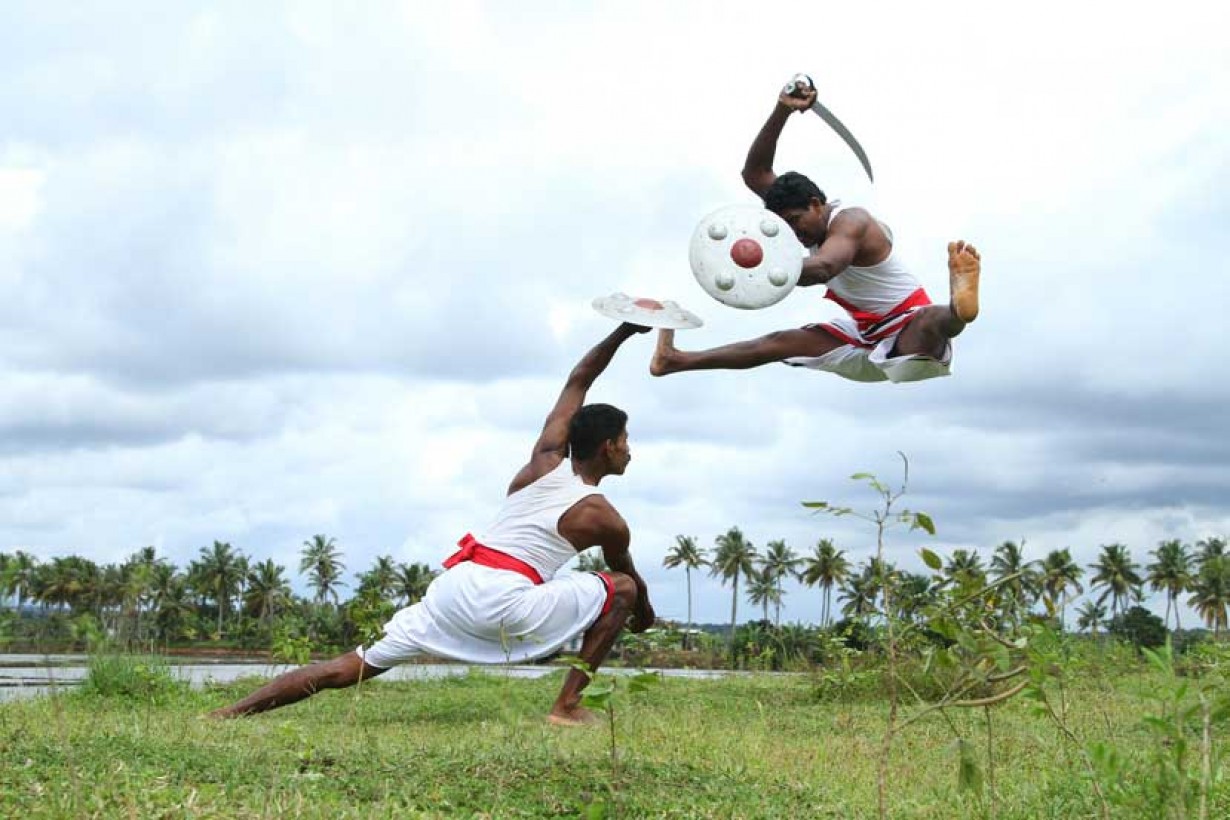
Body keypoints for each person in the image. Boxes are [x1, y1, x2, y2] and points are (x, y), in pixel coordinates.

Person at [210, 322, 656, 727]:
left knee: (346, 668)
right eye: (625, 441)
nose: (629, 450)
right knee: (623, 590)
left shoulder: (542, 461)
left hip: (452, 590)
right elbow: (628, 579)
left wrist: (622, 331)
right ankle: (566, 707)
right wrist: (645, 611)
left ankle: (228, 713)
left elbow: (579, 377)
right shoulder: (603, 517)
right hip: (504, 601)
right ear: (607, 447)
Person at [650, 82, 981, 384]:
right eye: (785, 228)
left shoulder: (851, 221)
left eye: (796, 222)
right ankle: (673, 360)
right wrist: (782, 109)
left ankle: (958, 308)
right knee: (777, 343)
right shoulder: (795, 212)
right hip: (862, 331)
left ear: (816, 204)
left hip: (905, 324)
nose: (794, 234)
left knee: (930, 320)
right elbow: (756, 173)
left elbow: (824, 267)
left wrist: (756, 266)